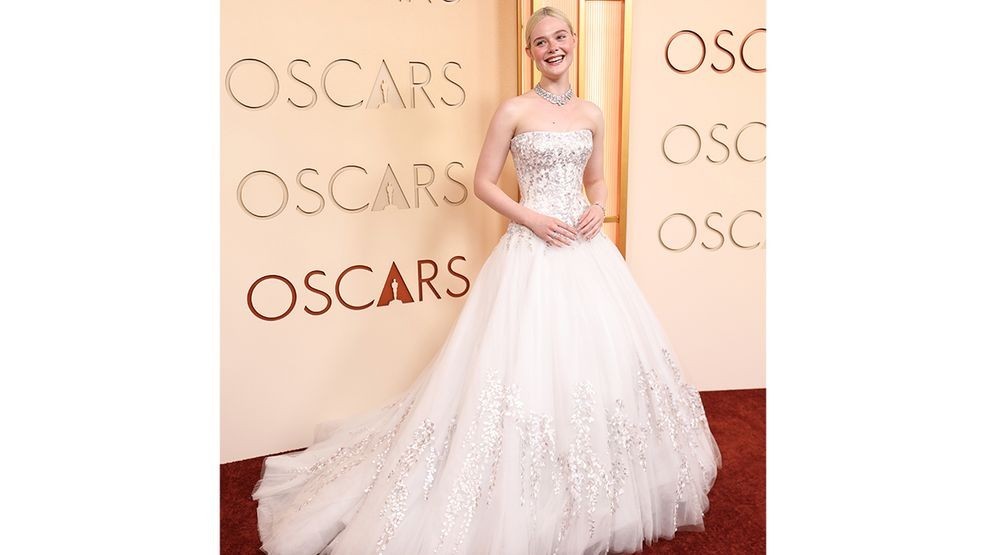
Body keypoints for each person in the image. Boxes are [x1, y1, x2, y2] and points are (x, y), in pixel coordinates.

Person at [252, 7, 721, 554]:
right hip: (532, 249)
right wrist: (532, 218)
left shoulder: (592, 113)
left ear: (574, 41)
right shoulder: (513, 109)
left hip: (586, 251)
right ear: (530, 52)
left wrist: (598, 206)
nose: (552, 47)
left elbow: (596, 179)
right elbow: (483, 182)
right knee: (521, 364)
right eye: (540, 41)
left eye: (560, 37)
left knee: (595, 362)